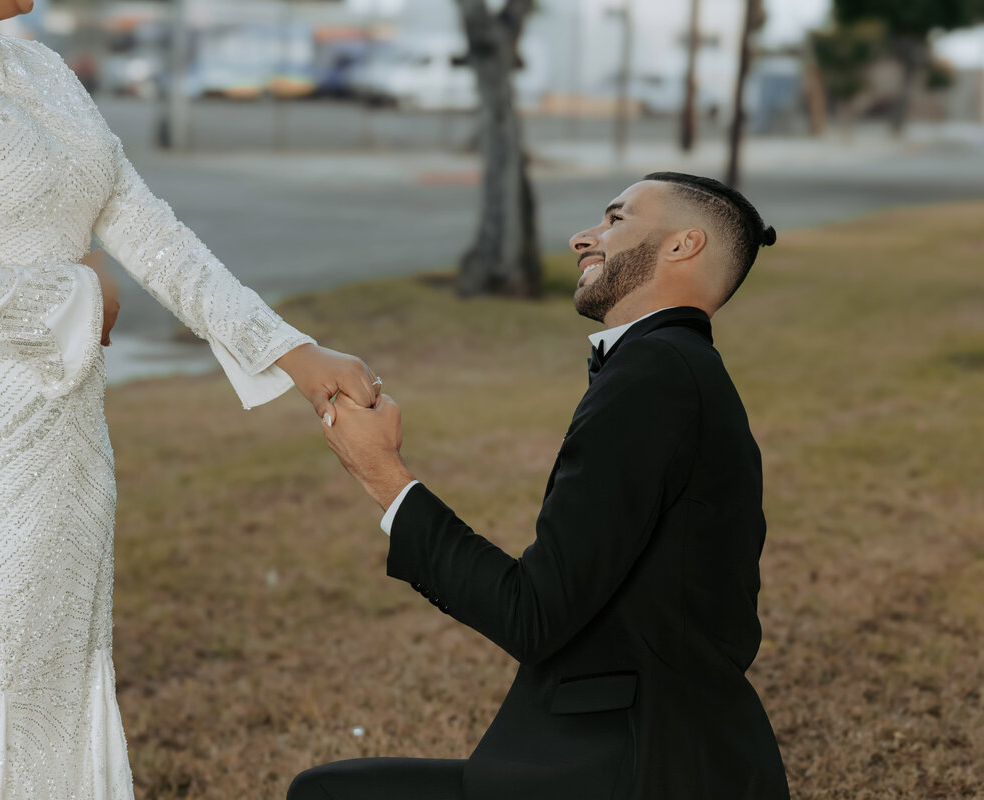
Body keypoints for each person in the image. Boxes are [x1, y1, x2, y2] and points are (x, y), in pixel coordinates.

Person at [0, 1, 379, 797]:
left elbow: (147, 227)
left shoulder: (40, 66)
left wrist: (289, 350)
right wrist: (75, 294)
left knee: (58, 670)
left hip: (64, 449)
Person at [307, 173, 791, 799]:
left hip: (635, 770)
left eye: (615, 220)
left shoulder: (654, 374)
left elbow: (531, 614)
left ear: (683, 245)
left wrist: (383, 474)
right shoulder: (677, 368)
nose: (582, 237)